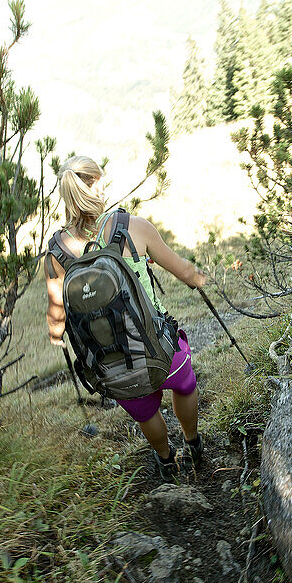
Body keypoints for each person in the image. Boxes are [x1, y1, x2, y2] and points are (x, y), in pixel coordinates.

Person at [44, 155, 207, 476]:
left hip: (114, 367)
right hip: (161, 350)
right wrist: (202, 279)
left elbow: (56, 320)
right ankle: (193, 443)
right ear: (96, 185)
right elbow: (186, 272)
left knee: (145, 412)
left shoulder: (56, 255)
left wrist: (54, 334)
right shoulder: (134, 228)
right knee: (184, 384)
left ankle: (164, 459)